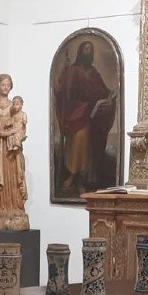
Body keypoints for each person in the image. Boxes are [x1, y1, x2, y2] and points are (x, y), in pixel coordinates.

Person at [53, 39, 117, 194]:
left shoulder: (93, 72)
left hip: (88, 115)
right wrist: (62, 77)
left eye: (90, 49)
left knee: (84, 143)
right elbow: (61, 90)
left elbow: (104, 91)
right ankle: (71, 175)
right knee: (74, 143)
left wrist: (112, 96)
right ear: (81, 51)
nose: (88, 51)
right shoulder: (72, 70)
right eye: (85, 48)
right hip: (74, 114)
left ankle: (81, 177)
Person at [0, 73, 29, 230]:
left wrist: (17, 133)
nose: (5, 87)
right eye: (2, 84)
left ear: (11, 87)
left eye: (7, 84)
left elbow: (22, 125)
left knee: (14, 176)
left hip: (12, 151)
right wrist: (2, 133)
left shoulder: (15, 105)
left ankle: (15, 208)